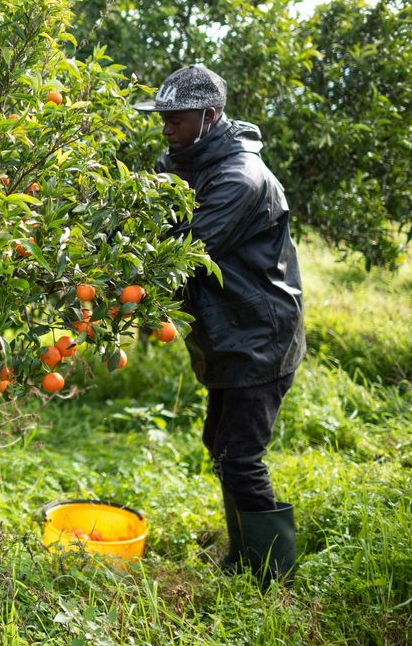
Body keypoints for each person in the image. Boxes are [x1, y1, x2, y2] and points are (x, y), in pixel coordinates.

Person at [135, 65, 305, 588]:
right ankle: (244, 555)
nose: (166, 128)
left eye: (176, 119)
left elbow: (183, 252)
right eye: (162, 118)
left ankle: (271, 574)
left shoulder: (239, 178)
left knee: (241, 455)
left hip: (258, 336)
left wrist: (121, 274)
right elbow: (152, 210)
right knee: (223, 445)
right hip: (229, 333)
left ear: (209, 117)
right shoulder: (186, 163)